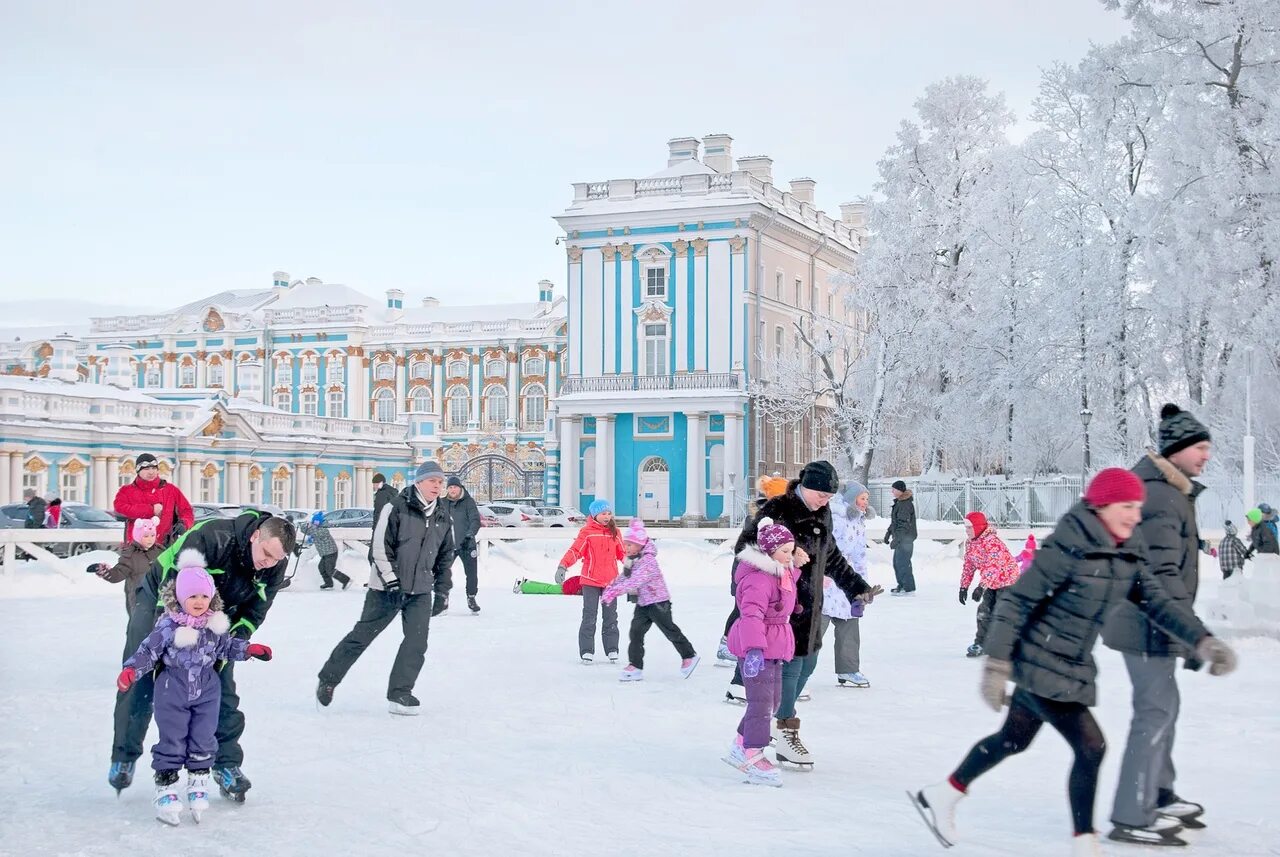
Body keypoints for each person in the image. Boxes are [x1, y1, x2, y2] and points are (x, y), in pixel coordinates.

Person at [910, 468, 1237, 857]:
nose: (1135, 515)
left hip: (1072, 662)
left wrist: (1202, 640)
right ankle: (1086, 844)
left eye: (1138, 507)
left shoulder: (1127, 551)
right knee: (1092, 747)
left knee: (1013, 740)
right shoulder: (1068, 544)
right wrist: (996, 662)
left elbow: (1160, 603)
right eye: (1127, 506)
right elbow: (1017, 600)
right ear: (1102, 506)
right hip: (1041, 658)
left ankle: (942, 793)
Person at [108, 510, 295, 801]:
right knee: (142, 667)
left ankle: (226, 765)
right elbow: (173, 586)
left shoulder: (273, 565)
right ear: (256, 535)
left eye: (276, 559)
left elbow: (256, 610)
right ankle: (125, 754)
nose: (268, 563)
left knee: (218, 683)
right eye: (266, 554)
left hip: (217, 611)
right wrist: (169, 637)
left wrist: (234, 642)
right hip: (163, 595)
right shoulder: (213, 536)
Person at [1103, 404, 1220, 844]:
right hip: (1146, 621)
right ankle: (1133, 812)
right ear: (1178, 449)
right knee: (1153, 712)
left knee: (1164, 707)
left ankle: (1160, 791)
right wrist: (1193, 632)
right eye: (1201, 448)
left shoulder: (1167, 490)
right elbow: (1160, 574)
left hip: (1152, 620)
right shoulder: (1161, 496)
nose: (1207, 456)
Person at [730, 461, 880, 767]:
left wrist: (857, 588)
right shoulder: (779, 507)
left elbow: (832, 556)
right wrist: (788, 556)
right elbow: (746, 547)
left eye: (829, 496)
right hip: (780, 604)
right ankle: (780, 728)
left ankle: (773, 725)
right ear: (805, 485)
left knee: (808, 662)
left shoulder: (822, 512)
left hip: (812, 603)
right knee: (790, 668)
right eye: (821, 494)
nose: (825, 500)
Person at [115, 553, 272, 824]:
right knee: (173, 739)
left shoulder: (214, 625)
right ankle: (166, 786)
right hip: (172, 690)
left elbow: (227, 647)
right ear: (180, 598)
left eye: (204, 596)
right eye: (193, 597)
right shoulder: (167, 626)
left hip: (207, 691)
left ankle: (198, 783)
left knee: (203, 738)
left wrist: (249, 649)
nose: (199, 602)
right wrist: (131, 670)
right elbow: (148, 651)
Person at [317, 460, 454, 716]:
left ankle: (400, 693)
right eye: (432, 480)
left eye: (440, 481)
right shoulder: (397, 507)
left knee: (416, 642)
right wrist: (391, 581)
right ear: (419, 482)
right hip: (386, 589)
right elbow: (380, 547)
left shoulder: (443, 515)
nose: (437, 485)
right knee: (362, 636)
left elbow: (445, 557)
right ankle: (328, 679)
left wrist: (443, 591)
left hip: (420, 591)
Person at [722, 518, 802, 787]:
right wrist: (754, 648)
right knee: (761, 704)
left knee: (774, 701)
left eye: (791, 550)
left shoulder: (779, 572)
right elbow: (751, 615)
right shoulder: (758, 579)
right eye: (785, 551)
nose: (790, 556)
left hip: (774, 644)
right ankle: (753, 753)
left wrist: (796, 565)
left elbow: (785, 590)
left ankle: (740, 744)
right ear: (769, 552)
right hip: (757, 645)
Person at [601, 519, 699, 682]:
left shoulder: (648, 561)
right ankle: (635, 666)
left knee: (669, 630)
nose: (626, 548)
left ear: (640, 544)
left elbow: (635, 581)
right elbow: (625, 577)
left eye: (630, 545)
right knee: (636, 632)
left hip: (659, 603)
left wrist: (614, 592)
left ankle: (689, 656)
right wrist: (610, 587)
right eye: (625, 545)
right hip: (644, 603)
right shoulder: (633, 560)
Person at [717, 475, 791, 670]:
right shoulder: (761, 519)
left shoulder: (778, 518)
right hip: (748, 574)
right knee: (744, 610)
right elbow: (745, 548)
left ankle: (748, 644)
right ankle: (726, 644)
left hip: (760, 575)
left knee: (752, 611)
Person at [557, 499, 623, 664]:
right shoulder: (587, 532)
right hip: (590, 580)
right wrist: (563, 566)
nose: (607, 516)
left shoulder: (615, 532)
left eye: (609, 513)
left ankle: (612, 649)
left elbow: (623, 553)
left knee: (611, 617)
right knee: (589, 616)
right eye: (603, 513)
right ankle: (587, 650)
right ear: (595, 515)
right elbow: (575, 550)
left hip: (611, 581)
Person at [821, 482, 873, 688]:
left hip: (847, 579)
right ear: (851, 499)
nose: (865, 503)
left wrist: (863, 587)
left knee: (850, 623)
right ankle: (794, 671)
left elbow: (860, 554)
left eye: (867, 499)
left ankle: (848, 669)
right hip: (828, 578)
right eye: (862, 498)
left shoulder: (858, 520)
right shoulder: (836, 519)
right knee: (815, 627)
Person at [959, 511, 1021, 658]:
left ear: (978, 527)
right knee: (984, 611)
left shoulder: (992, 542)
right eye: (965, 527)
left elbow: (993, 567)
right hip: (991, 584)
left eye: (969, 527)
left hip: (1008, 582)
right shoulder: (971, 543)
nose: (966, 530)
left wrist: (981, 586)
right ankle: (981, 643)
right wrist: (964, 586)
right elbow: (969, 565)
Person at [114, 453, 194, 545]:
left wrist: (184, 523)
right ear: (138, 471)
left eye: (154, 468)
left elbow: (187, 511)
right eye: (146, 469)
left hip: (165, 546)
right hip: (136, 548)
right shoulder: (126, 491)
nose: (151, 472)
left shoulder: (171, 490)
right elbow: (119, 510)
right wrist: (150, 510)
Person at [91, 516, 162, 615]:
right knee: (141, 629)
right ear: (138, 536)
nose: (150, 539)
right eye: (146, 536)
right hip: (139, 603)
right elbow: (118, 573)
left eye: (152, 535)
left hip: (160, 601)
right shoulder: (130, 555)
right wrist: (104, 571)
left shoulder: (161, 552)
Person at [443, 476, 482, 613]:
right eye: (450, 487)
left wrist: (470, 534)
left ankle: (471, 598)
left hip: (467, 544)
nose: (453, 490)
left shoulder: (468, 502)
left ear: (460, 488)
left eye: (455, 487)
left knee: (471, 574)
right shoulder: (442, 503)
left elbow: (475, 520)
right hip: (448, 545)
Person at [300, 511, 350, 590]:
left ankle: (346, 580)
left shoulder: (324, 530)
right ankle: (329, 583)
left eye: (316, 522)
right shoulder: (315, 528)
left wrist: (311, 527)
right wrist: (306, 524)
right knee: (321, 568)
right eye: (314, 522)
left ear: (320, 522)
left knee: (329, 570)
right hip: (324, 554)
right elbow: (304, 530)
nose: (315, 523)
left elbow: (315, 532)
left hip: (331, 553)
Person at [885, 479, 918, 594]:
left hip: (905, 540)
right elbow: (896, 522)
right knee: (898, 563)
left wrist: (897, 539)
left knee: (902, 563)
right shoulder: (900, 503)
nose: (892, 491)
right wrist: (888, 533)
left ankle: (907, 587)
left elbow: (903, 525)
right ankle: (903, 585)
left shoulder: (904, 504)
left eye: (893, 489)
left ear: (899, 490)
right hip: (902, 539)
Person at [369, 472, 397, 562]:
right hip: (392, 528)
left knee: (373, 555)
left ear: (380, 483)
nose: (374, 486)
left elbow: (379, 512)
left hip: (381, 528)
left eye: (375, 484)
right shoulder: (393, 492)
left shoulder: (382, 494)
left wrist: (376, 528)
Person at [513, 575, 585, 595]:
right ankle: (523, 586)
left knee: (550, 587)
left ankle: (529, 583)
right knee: (547, 589)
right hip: (570, 587)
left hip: (572, 583)